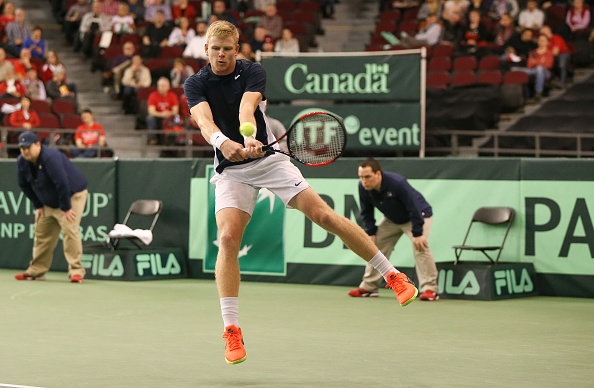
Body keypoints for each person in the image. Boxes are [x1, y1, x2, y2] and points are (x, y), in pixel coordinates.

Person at [183, 20, 418, 365]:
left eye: (228, 49)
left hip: (268, 160)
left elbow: (246, 109)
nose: (221, 55)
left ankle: (392, 275)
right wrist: (223, 143)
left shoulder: (253, 72)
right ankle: (231, 330)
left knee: (323, 215)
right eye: (215, 49)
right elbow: (205, 122)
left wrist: (249, 136)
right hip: (231, 170)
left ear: (237, 49)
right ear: (206, 49)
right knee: (228, 238)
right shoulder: (195, 83)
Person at [348, 158, 438, 300]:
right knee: (374, 247)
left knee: (420, 247)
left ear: (378, 174)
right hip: (393, 219)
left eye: (367, 177)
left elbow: (413, 206)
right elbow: (366, 212)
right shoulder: (363, 187)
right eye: (361, 177)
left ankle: (430, 290)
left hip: (418, 216)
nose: (364, 181)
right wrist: (371, 232)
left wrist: (417, 233)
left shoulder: (397, 183)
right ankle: (369, 288)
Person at [15, 131, 88, 283]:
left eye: (28, 147)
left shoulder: (51, 158)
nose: (25, 151)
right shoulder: (22, 161)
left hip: (72, 195)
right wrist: (38, 205)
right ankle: (37, 270)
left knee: (69, 229)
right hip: (48, 200)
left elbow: (62, 184)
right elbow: (24, 185)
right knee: (42, 233)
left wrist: (66, 208)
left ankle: (76, 271)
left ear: (37, 145)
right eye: (22, 148)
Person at [513, 34, 553, 101]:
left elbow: (548, 65)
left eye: (543, 40)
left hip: (545, 72)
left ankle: (538, 92)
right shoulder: (533, 52)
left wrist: (536, 62)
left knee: (539, 68)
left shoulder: (549, 53)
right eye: (539, 40)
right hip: (532, 70)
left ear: (547, 42)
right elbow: (529, 65)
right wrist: (540, 62)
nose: (541, 42)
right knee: (514, 69)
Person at [146, 76, 179, 144]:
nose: (162, 88)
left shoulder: (173, 95)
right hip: (157, 115)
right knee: (150, 118)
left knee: (176, 118)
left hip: (169, 115)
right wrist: (161, 114)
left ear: (168, 87)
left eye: (164, 86)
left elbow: (175, 111)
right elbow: (151, 111)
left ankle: (169, 141)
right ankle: (152, 139)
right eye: (160, 86)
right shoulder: (153, 95)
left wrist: (169, 113)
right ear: (157, 87)